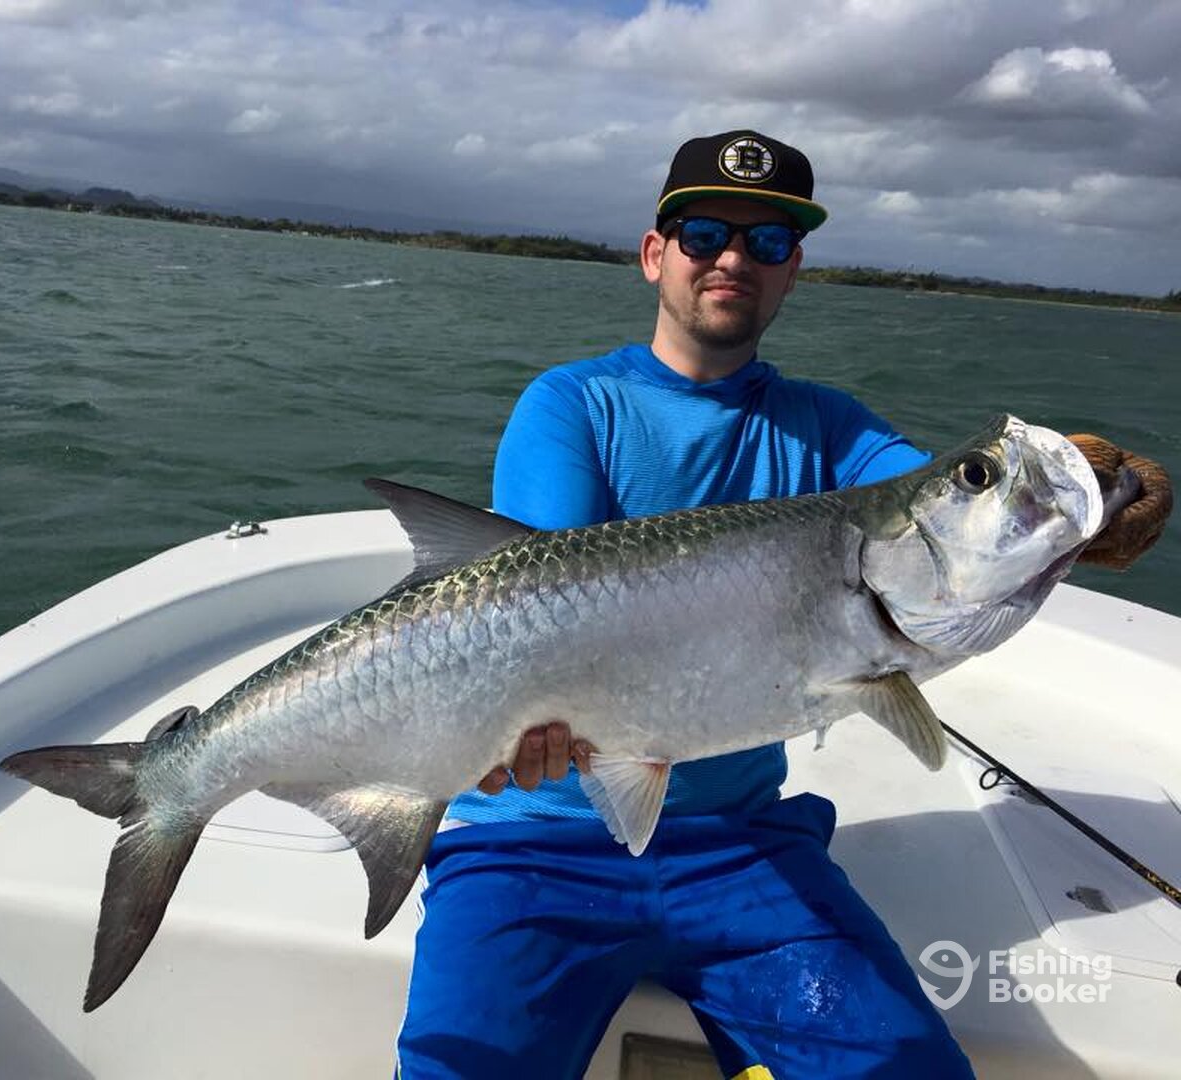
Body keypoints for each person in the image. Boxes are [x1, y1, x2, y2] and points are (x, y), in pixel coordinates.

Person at [394, 130, 1172, 1079]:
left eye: (766, 243)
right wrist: (493, 729)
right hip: (534, 843)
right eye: (704, 232)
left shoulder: (833, 426)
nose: (732, 258)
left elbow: (936, 513)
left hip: (742, 846)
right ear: (655, 255)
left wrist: (1079, 505)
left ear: (792, 270)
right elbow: (535, 595)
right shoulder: (575, 403)